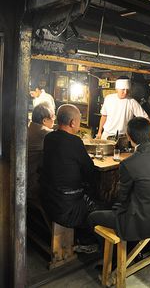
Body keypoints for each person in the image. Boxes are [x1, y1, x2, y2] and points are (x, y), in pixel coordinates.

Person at [89, 117, 150, 242]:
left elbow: (123, 197)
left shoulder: (128, 164)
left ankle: (109, 258)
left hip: (140, 221)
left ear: (128, 136)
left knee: (93, 217)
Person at [40, 104, 99, 250]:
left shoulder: (49, 138)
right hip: (66, 209)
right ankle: (86, 241)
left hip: (48, 198)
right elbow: (90, 170)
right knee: (98, 202)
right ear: (73, 123)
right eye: (78, 121)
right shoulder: (75, 142)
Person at [28, 104, 54, 200]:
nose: (54, 120)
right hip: (33, 181)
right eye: (52, 117)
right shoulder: (46, 133)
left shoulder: (29, 128)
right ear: (44, 121)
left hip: (25, 175)